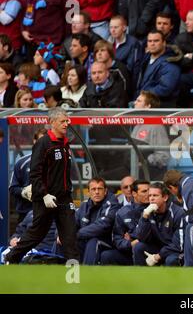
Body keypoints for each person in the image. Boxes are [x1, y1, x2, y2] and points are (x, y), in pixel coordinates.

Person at [4, 108, 80, 264]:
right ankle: (11, 258)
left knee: (69, 236)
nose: (67, 124)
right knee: (37, 234)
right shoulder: (43, 143)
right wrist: (44, 194)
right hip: (45, 198)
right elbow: (35, 174)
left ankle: (74, 276)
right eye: (63, 121)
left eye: (67, 121)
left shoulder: (65, 143)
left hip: (64, 198)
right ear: (52, 123)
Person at [133, 182, 185, 266]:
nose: (151, 199)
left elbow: (179, 244)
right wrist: (144, 217)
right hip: (158, 248)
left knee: (171, 261)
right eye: (150, 195)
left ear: (165, 197)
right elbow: (140, 238)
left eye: (155, 195)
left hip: (175, 251)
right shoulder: (148, 212)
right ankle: (141, 278)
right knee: (139, 247)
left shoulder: (178, 213)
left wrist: (158, 256)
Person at [100, 179, 151, 265]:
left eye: (149, 191)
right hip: (129, 251)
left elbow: (150, 235)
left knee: (139, 247)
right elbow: (117, 238)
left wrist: (132, 237)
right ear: (134, 194)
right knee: (107, 256)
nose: (148, 194)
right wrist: (129, 244)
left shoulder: (155, 209)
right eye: (144, 191)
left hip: (148, 250)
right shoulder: (123, 212)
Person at [76, 177, 120, 265]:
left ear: (105, 191)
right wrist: (62, 235)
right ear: (88, 192)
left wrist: (77, 234)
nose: (97, 192)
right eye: (93, 189)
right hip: (86, 239)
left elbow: (103, 225)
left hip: (108, 243)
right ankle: (56, 271)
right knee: (62, 240)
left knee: (94, 242)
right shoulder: (84, 205)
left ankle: (87, 273)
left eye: (100, 189)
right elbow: (72, 222)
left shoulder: (112, 203)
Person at [9, 128, 47, 223]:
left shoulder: (57, 163)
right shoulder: (22, 163)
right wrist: (24, 192)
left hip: (48, 212)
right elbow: (12, 188)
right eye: (40, 141)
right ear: (35, 141)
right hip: (25, 213)